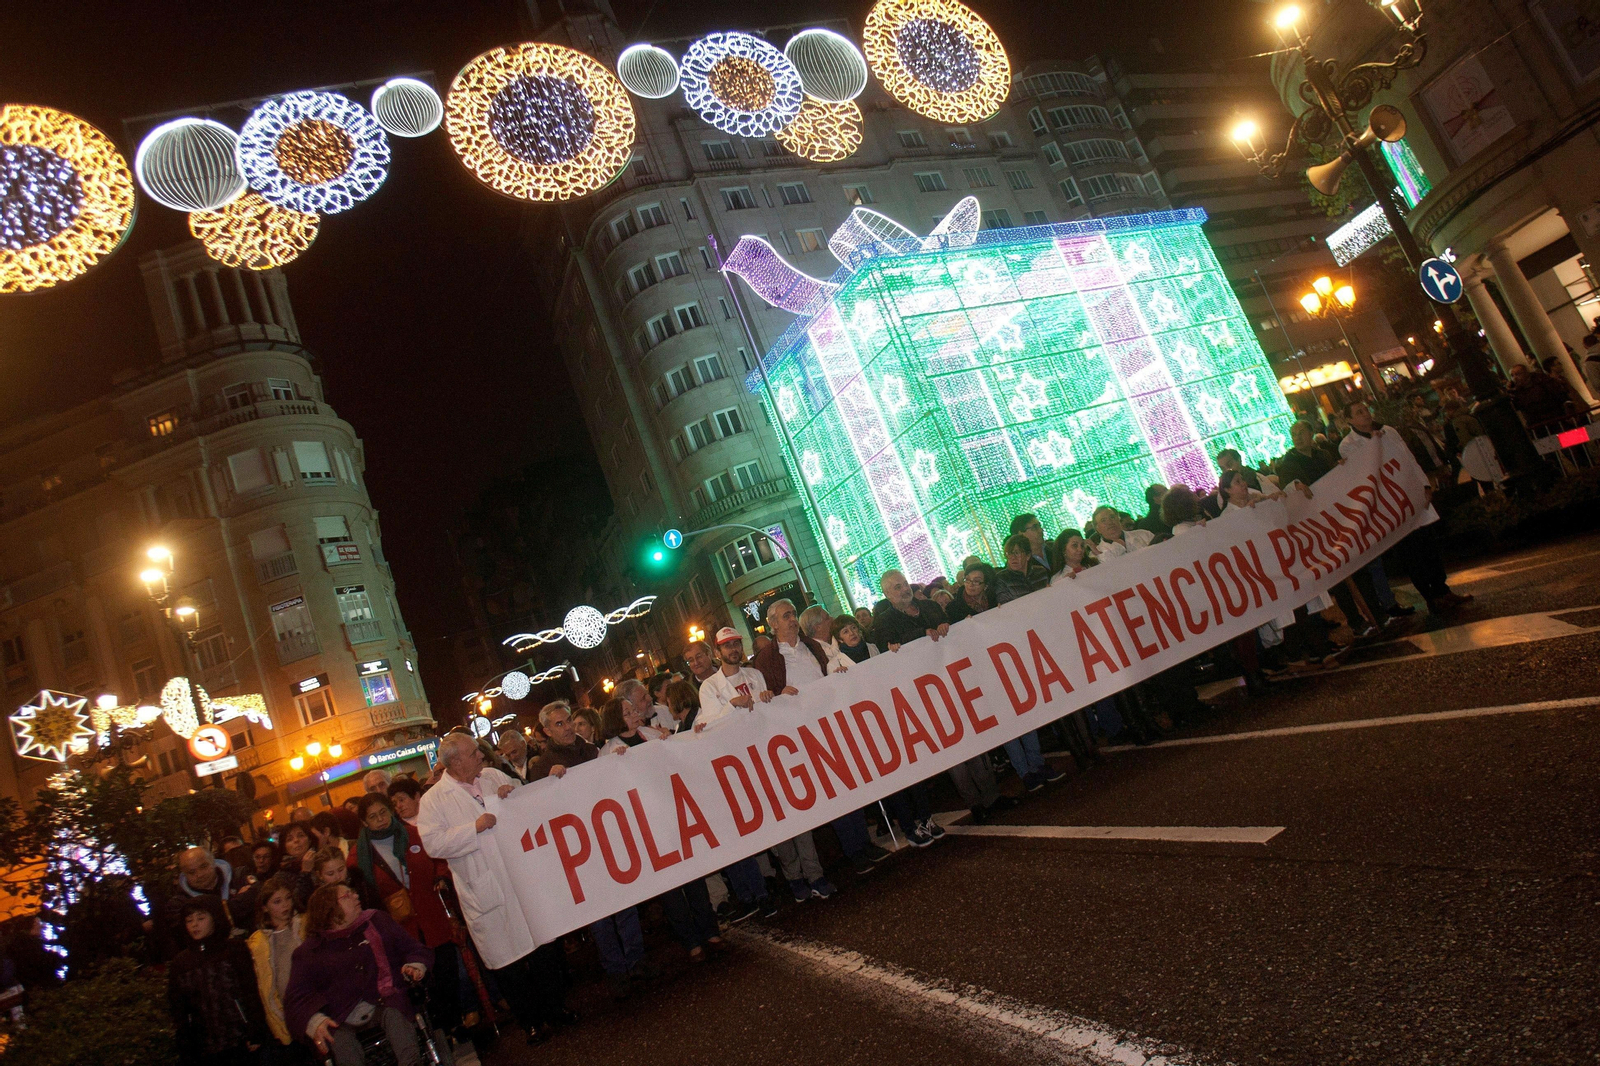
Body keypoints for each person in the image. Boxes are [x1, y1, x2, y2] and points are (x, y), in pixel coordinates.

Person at [417, 732, 572, 1044]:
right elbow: (433, 843)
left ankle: (557, 1010)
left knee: (545, 949)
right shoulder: (433, 800)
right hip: (484, 887)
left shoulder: (491, 776)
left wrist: (510, 790)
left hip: (520, 874)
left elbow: (523, 801)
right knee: (508, 962)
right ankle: (531, 1022)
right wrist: (471, 829)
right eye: (473, 753)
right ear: (455, 761)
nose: (481, 756)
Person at [524, 705, 652, 998]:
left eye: (568, 720)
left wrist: (618, 762)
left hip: (606, 836)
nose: (568, 727)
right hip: (579, 848)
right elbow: (539, 811)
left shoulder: (593, 751)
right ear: (547, 731)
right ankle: (617, 970)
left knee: (626, 901)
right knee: (600, 913)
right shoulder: (543, 767)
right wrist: (548, 785)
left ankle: (637, 959)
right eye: (559, 723)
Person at [751, 599, 842, 900]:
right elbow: (762, 698)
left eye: (793, 614)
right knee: (795, 810)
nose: (792, 620)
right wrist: (777, 695)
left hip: (824, 733)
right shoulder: (765, 659)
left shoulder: (812, 647)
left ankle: (821, 868)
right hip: (788, 743)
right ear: (773, 623)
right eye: (786, 616)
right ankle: (797, 876)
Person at [284, 884, 431, 1065]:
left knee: (396, 1015)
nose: (356, 896)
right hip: (341, 1015)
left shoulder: (377, 922)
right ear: (330, 909)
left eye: (354, 892)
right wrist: (314, 1021)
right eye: (347, 895)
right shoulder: (309, 952)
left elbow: (413, 948)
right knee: (337, 1039)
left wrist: (414, 966)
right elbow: (295, 1001)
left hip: (384, 1000)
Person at [168, 893, 269, 1066]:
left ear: (214, 918)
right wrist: (186, 1046)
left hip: (240, 1039)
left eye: (200, 918)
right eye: (189, 920)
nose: (194, 925)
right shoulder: (181, 963)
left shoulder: (235, 950)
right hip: (204, 1046)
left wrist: (256, 1029)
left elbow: (250, 991)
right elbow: (179, 1009)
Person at [246, 874, 305, 1062]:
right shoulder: (258, 943)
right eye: (277, 901)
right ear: (265, 907)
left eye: (288, 898)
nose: (285, 905)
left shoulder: (304, 926)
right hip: (285, 1013)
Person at [158, 846, 251, 959]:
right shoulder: (178, 904)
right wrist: (236, 904)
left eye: (203, 866)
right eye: (192, 872)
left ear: (213, 862)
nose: (200, 874)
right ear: (183, 875)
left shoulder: (239, 877)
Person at [696, 627, 773, 731]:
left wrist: (768, 697)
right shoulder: (709, 687)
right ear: (717, 653)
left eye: (736, 644)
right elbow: (713, 726)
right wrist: (732, 704)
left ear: (741, 647)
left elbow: (769, 711)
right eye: (727, 646)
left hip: (764, 732)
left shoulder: (755, 674)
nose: (733, 649)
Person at [871, 570, 949, 652]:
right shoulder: (883, 622)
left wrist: (945, 624)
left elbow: (950, 623)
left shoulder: (931, 606)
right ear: (887, 594)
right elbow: (887, 649)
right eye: (898, 587)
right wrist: (922, 633)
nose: (905, 589)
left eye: (906, 584)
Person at [311, 846, 382, 913]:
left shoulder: (361, 885)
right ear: (320, 875)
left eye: (341, 870)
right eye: (330, 874)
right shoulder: (318, 900)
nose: (338, 877)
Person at [996, 534, 1048, 603]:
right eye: (1008, 554)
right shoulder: (1002, 578)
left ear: (1028, 555)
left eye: (1017, 553)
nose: (1012, 557)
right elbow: (1005, 606)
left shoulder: (1040, 572)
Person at [1089, 505, 1154, 560]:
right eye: (1103, 520)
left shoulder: (1144, 535)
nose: (1109, 522)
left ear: (1119, 519)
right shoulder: (1095, 556)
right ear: (1097, 528)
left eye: (1112, 517)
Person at [1007, 513, 1056, 580]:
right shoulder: (1019, 564)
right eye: (1035, 527)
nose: (1040, 530)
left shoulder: (1055, 547)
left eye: (1039, 526)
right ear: (1021, 534)